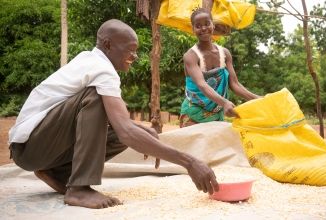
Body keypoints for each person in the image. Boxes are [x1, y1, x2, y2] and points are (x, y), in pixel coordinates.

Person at [8, 19, 219, 209]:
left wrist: (144, 132)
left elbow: (124, 127)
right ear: (108, 45)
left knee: (124, 130)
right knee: (99, 100)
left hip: (39, 150)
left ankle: (57, 173)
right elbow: (126, 131)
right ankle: (79, 188)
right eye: (130, 50)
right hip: (29, 148)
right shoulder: (102, 69)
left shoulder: (90, 60)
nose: (135, 57)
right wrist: (190, 162)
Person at [179, 8, 260, 127]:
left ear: (213, 24)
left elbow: (235, 84)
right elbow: (202, 84)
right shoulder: (190, 56)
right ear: (193, 29)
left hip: (217, 115)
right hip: (193, 115)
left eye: (207, 23)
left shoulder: (225, 53)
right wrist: (225, 103)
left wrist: (256, 98)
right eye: (198, 26)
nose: (203, 28)